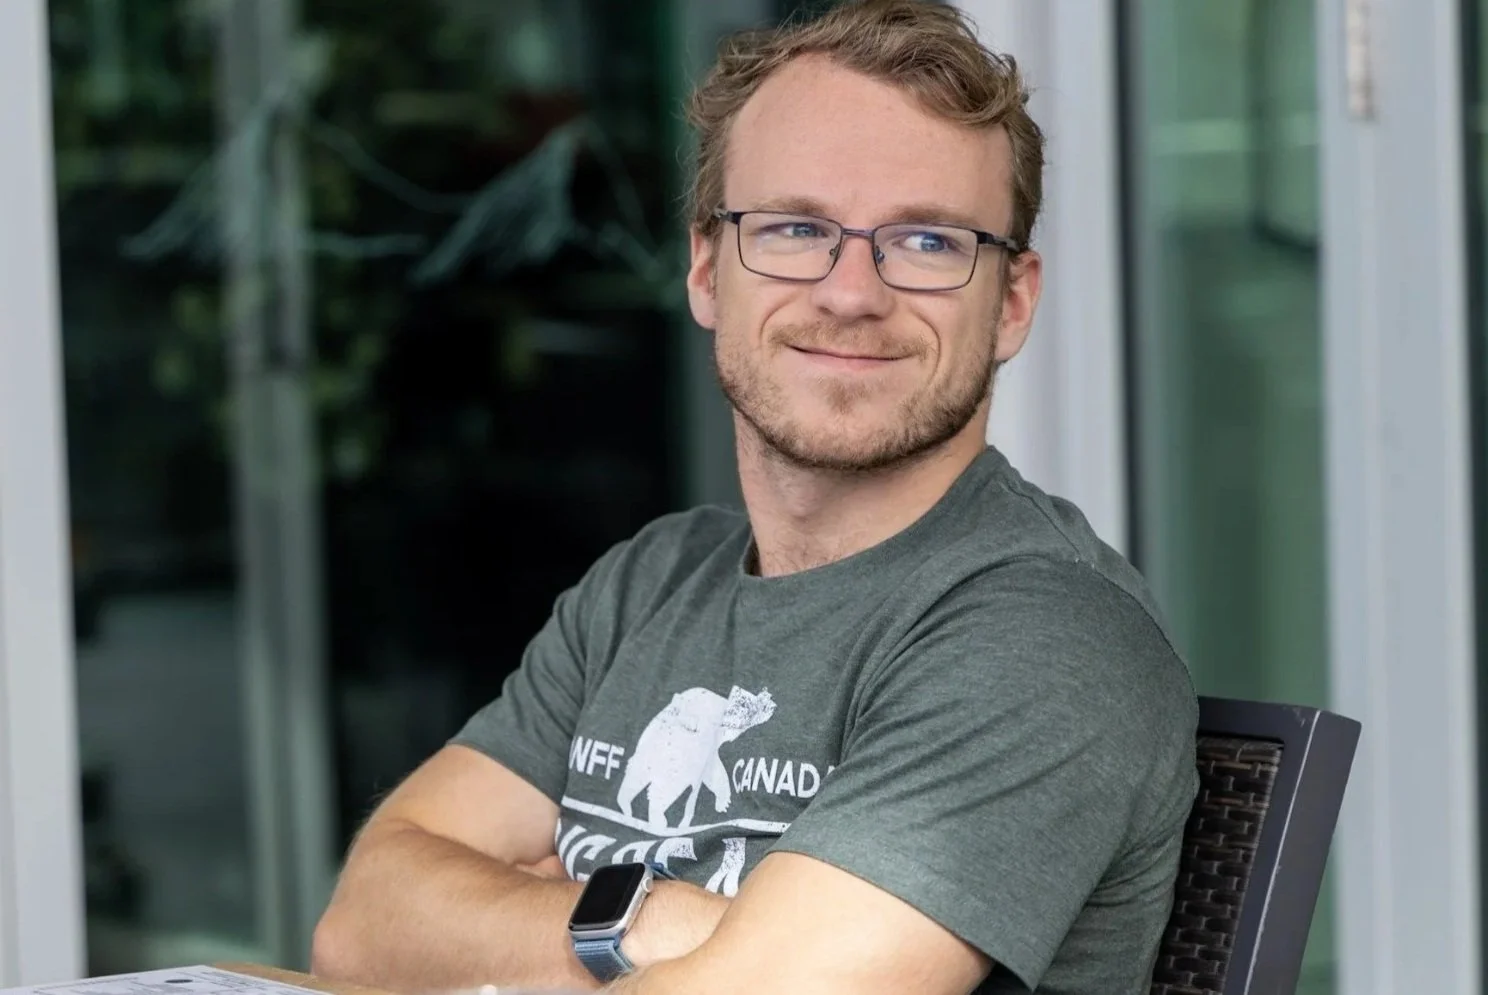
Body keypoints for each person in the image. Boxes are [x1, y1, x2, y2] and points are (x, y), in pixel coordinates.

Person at [311, 1, 1198, 993]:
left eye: (928, 242)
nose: (851, 293)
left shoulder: (1041, 636)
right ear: (705, 270)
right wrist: (652, 918)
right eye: (794, 228)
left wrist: (518, 920)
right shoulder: (648, 585)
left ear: (1013, 303)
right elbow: (364, 923)